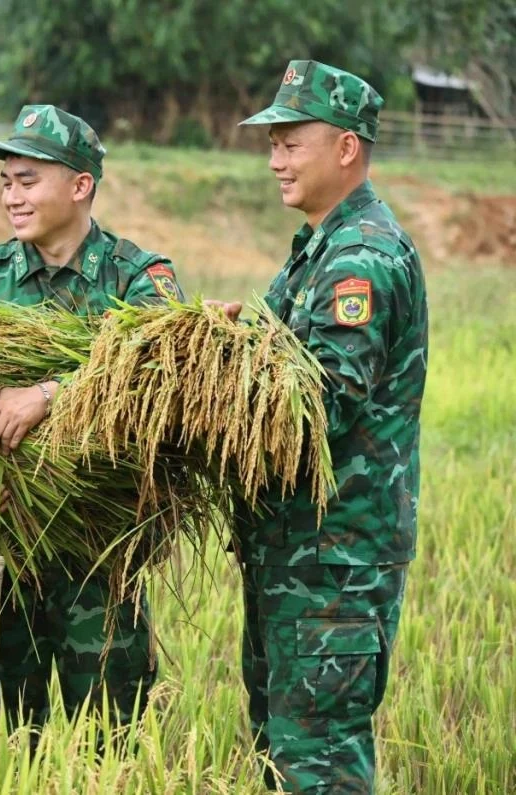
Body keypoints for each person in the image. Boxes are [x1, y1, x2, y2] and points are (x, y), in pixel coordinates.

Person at [0, 105, 185, 734]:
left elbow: (162, 375)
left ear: (81, 186)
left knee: (108, 739)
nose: (12, 197)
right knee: (0, 739)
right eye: (6, 183)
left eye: (28, 181)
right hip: (1, 554)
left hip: (98, 551)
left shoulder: (139, 279)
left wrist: (48, 393)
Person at [221, 60, 427, 793]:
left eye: (290, 142)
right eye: (271, 143)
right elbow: (277, 348)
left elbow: (320, 401)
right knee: (284, 754)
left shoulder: (360, 258)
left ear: (346, 148)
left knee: (319, 764)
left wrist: (201, 397)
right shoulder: (317, 246)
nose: (274, 159)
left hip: (333, 563)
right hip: (293, 553)